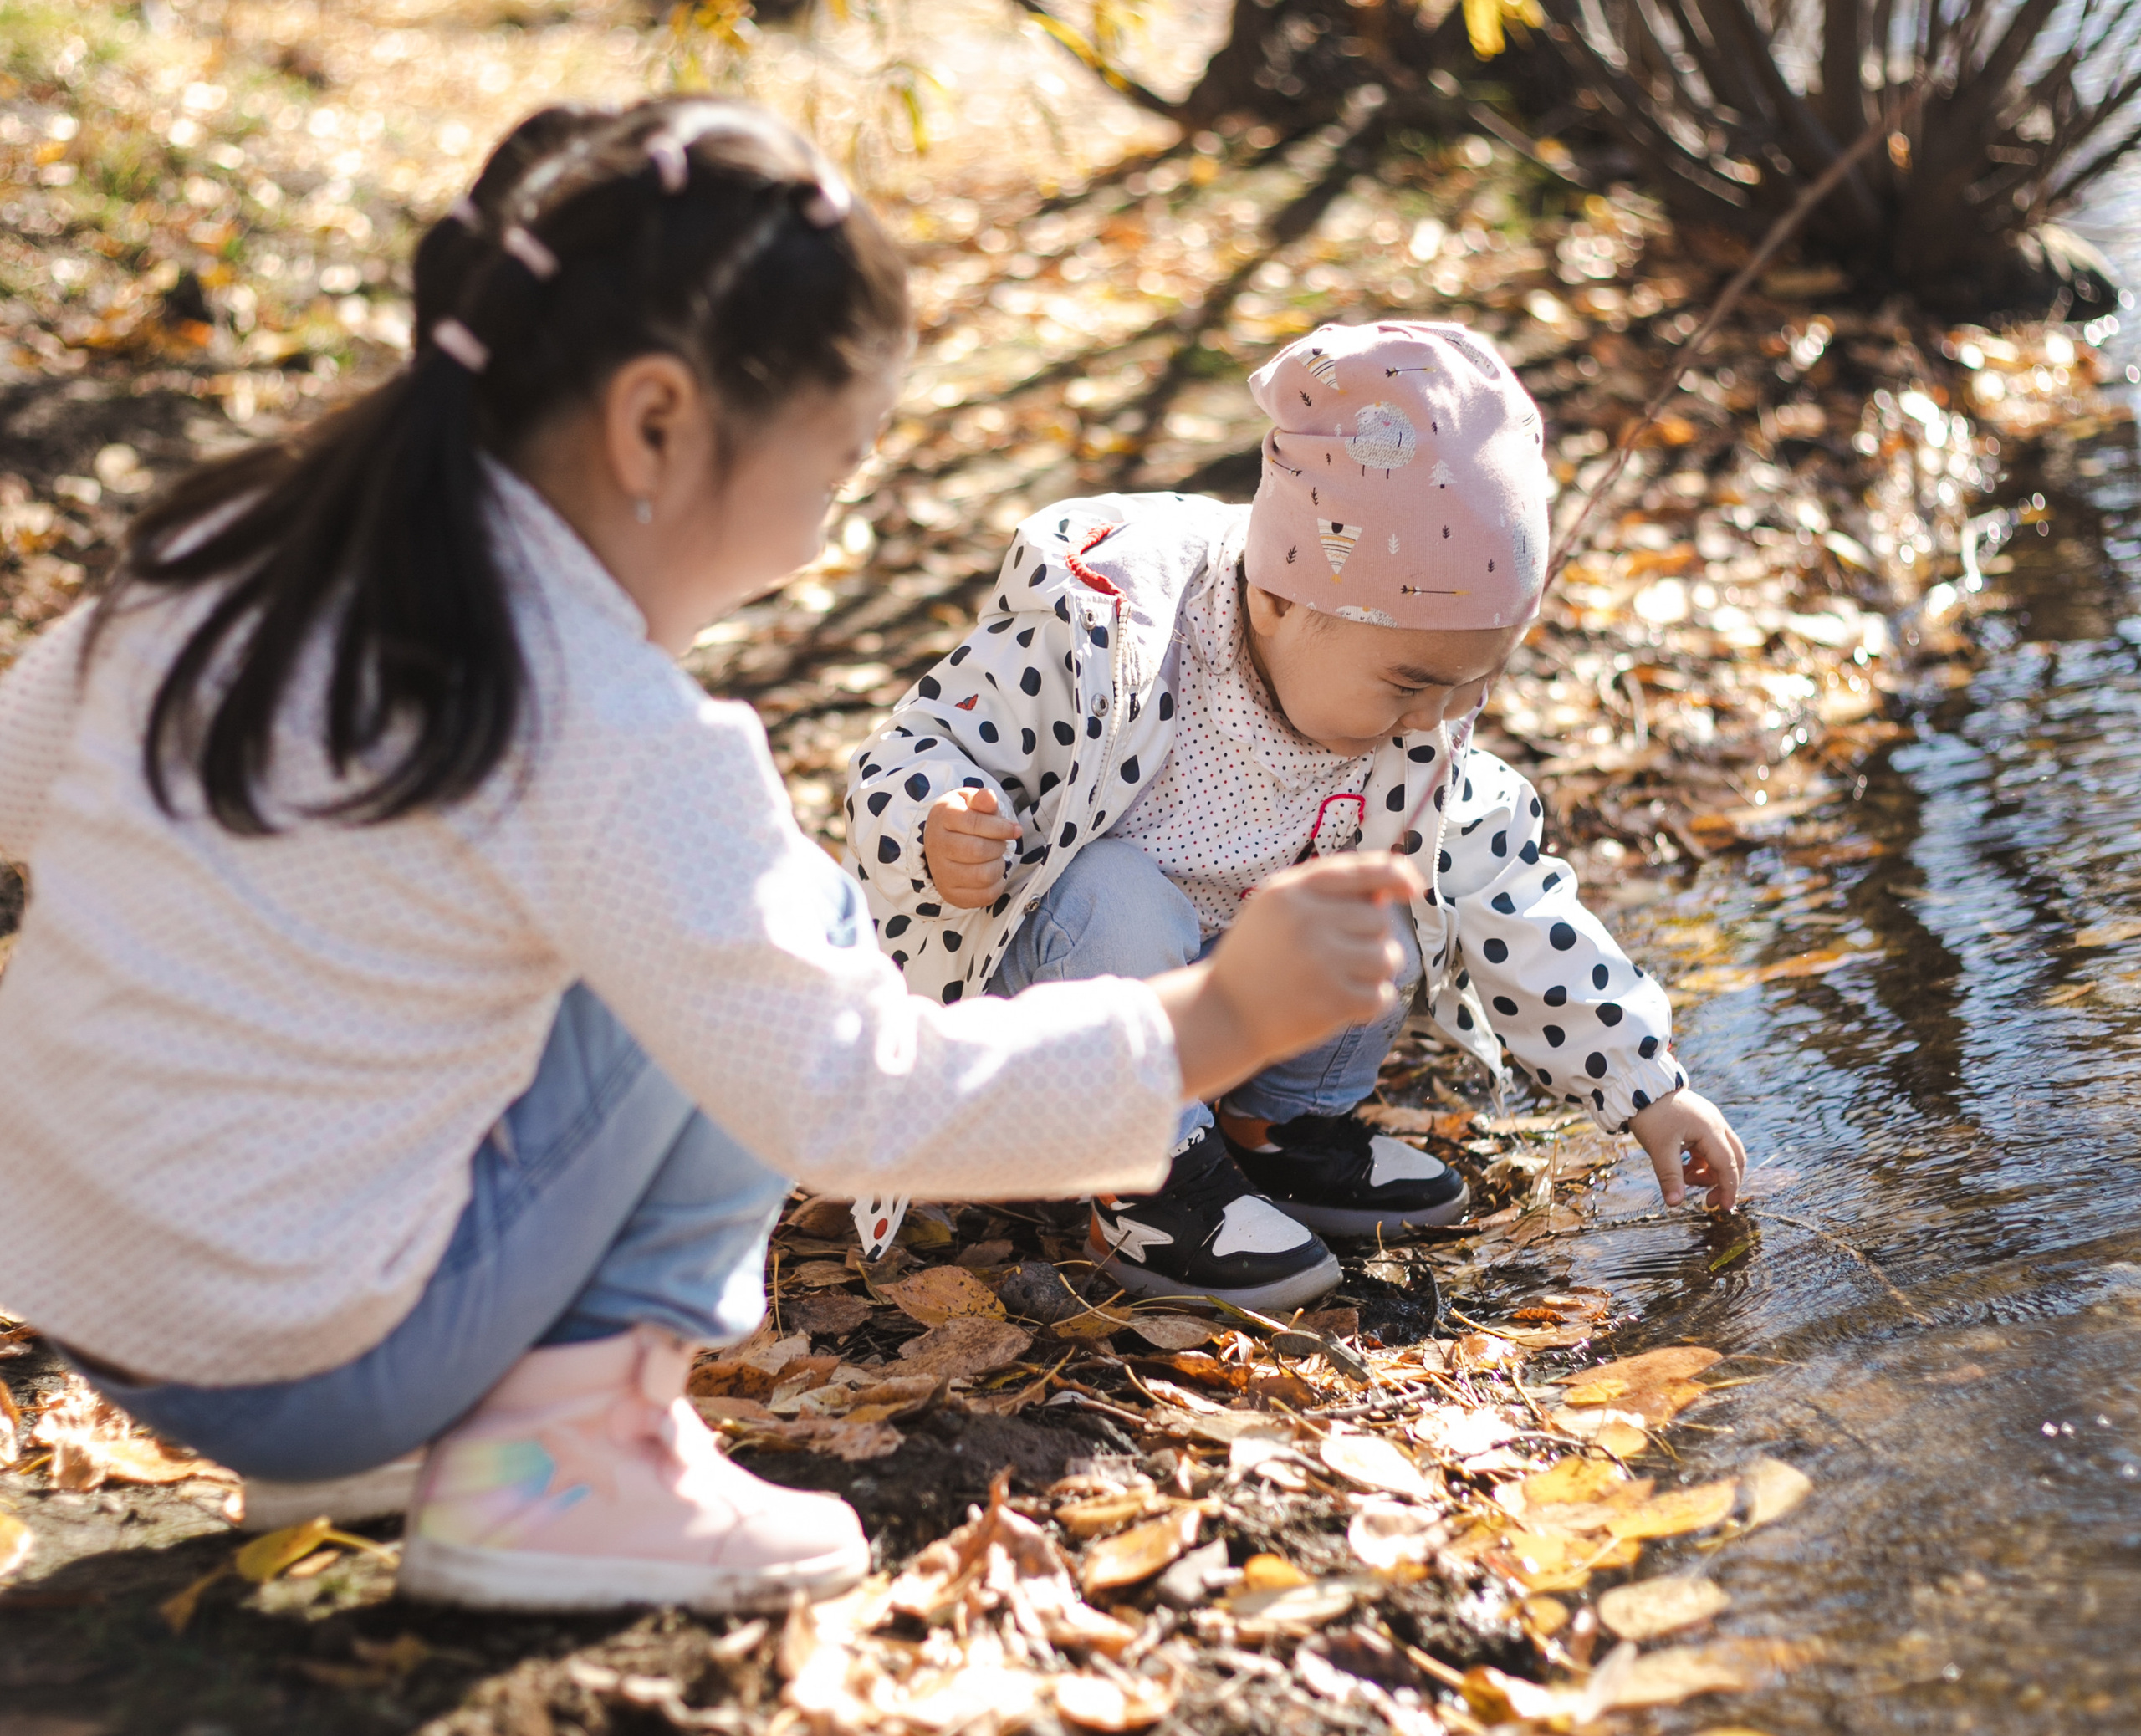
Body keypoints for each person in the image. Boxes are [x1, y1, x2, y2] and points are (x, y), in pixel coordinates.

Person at [0, 103, 1425, 1613]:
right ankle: (564, 1469)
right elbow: (851, 1100)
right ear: (656, 424)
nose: (820, 537)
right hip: (308, 1354)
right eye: (833, 470)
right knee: (777, 935)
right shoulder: (611, 731)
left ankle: (399, 1438)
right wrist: (1214, 1023)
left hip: (89, 1282)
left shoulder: (226, 560)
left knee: (652, 942)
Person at [846, 319, 1744, 1313]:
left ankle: (1277, 1127)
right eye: (1410, 683)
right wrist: (935, 825)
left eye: (1469, 686)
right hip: (1058, 1006)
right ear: (1275, 601)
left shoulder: (1417, 730)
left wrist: (1646, 1089)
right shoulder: (1105, 643)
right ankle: (1147, 1176)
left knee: (1386, 897)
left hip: (1231, 996)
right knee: (1117, 894)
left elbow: (1512, 896)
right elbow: (911, 751)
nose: (1435, 719)